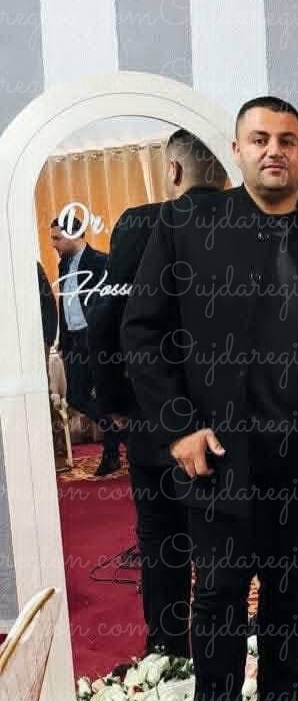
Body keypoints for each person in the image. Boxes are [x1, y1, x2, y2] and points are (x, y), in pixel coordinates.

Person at [122, 96, 298, 701]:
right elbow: (142, 333)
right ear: (236, 149)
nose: (273, 150)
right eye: (259, 138)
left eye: (287, 139)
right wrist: (179, 428)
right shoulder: (184, 227)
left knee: (291, 594)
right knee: (221, 601)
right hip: (224, 456)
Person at [87, 130, 228, 657]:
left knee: (163, 540)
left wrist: (113, 405)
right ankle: (230, 658)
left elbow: (107, 322)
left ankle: (168, 654)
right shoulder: (251, 221)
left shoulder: (141, 223)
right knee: (228, 547)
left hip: (154, 420)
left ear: (173, 170)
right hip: (235, 423)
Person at [50, 216, 120, 475]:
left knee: (105, 395)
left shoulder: (101, 261)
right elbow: (65, 304)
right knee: (76, 395)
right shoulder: (64, 265)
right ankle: (117, 433)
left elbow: (112, 304)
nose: (53, 244)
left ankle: (112, 454)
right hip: (75, 340)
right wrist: (63, 341)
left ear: (73, 235)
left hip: (97, 338)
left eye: (57, 238)